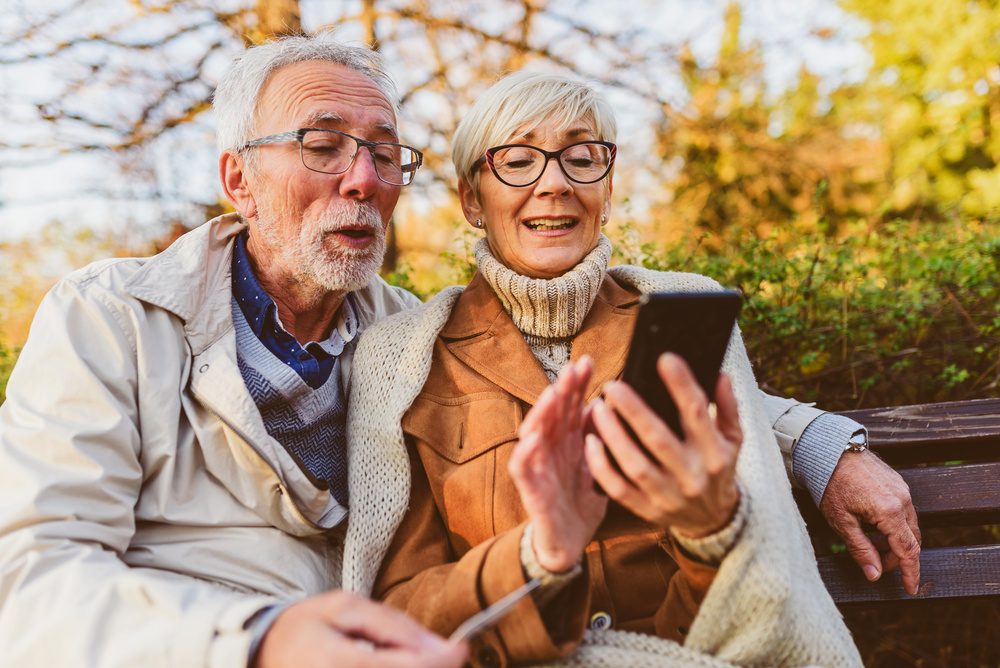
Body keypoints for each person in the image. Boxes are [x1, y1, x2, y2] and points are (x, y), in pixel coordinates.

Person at [338, 71, 870, 667]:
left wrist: (713, 532)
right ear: (471, 199)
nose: (555, 183)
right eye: (517, 160)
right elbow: (401, 608)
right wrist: (538, 554)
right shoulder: (403, 361)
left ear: (608, 189)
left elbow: (755, 565)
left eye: (582, 157)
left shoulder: (684, 314)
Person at [0, 35, 466, 668]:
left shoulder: (419, 339)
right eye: (323, 147)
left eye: (384, 154)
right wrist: (256, 639)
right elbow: (32, 582)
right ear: (239, 180)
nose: (364, 180)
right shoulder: (112, 317)